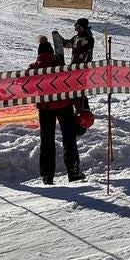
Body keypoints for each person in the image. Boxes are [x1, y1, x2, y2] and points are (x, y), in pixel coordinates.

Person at [27, 36, 84, 184]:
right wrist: (79, 108)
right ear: (52, 52)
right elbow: (72, 86)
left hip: (45, 108)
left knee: (47, 141)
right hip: (64, 106)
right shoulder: (59, 65)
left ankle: (47, 176)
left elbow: (26, 86)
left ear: (38, 53)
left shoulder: (33, 68)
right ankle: (74, 172)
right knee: (69, 139)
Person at [55, 17, 96, 115]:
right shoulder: (76, 37)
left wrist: (74, 44)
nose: (75, 26)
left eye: (76, 24)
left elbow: (79, 44)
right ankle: (79, 108)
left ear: (81, 26)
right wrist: (59, 39)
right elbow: (67, 44)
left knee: (79, 88)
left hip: (82, 68)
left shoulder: (88, 37)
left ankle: (84, 109)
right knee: (73, 87)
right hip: (74, 67)